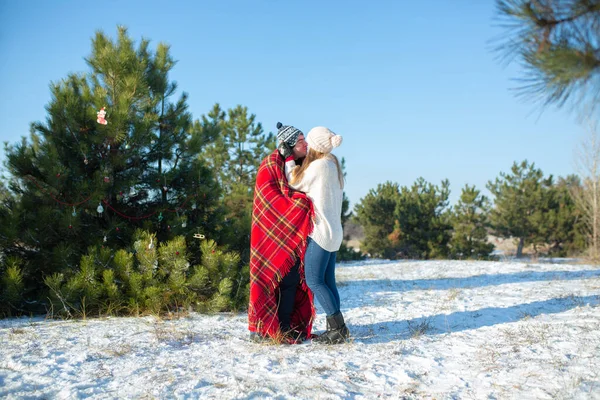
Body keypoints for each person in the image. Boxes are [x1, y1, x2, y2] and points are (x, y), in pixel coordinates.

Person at [248, 122, 315, 343]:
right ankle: (262, 328)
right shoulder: (269, 164)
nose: (306, 144)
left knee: (291, 283)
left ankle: (284, 327)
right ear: (288, 145)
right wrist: (302, 203)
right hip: (269, 236)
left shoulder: (298, 164)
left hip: (292, 238)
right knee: (269, 282)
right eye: (301, 141)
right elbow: (273, 200)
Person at [285, 126, 349, 344]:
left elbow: (294, 182)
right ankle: (337, 329)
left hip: (321, 231)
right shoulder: (333, 164)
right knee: (328, 281)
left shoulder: (319, 166)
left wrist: (288, 160)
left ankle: (338, 329)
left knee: (313, 280)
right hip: (334, 232)